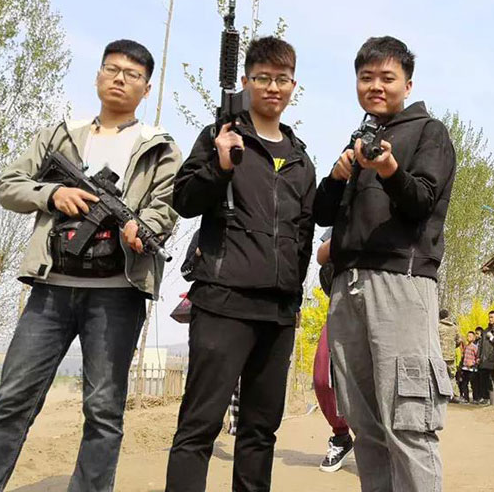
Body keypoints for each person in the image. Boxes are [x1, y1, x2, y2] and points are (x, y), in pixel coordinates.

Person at [0, 39, 182, 492]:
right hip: (50, 289)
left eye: (132, 75)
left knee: (103, 410)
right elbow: (8, 185)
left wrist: (142, 228)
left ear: (146, 89)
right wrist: (53, 194)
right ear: (98, 75)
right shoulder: (61, 135)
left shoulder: (160, 147)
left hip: (117, 294)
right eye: (112, 69)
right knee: (11, 401)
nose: (120, 79)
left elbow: (166, 207)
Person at [165, 36, 315, 492]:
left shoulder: (301, 159)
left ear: (293, 86)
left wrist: (293, 298)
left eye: (282, 79)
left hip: (278, 313)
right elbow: (184, 200)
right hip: (222, 303)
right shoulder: (221, 136)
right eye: (263, 78)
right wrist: (220, 165)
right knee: (200, 425)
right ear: (247, 81)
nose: (273, 87)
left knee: (260, 431)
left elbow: (303, 235)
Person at [314, 36, 457, 492]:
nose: (375, 86)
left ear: (407, 85)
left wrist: (391, 170)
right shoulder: (358, 141)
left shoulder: (429, 132)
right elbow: (322, 215)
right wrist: (336, 176)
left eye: (387, 78)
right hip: (347, 286)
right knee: (365, 424)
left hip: (401, 282)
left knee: (409, 422)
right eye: (366, 77)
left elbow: (422, 202)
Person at [313, 228, 355, 472]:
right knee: (322, 377)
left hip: (382, 302)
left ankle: (380, 442)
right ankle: (341, 436)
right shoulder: (347, 212)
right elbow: (321, 254)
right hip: (340, 301)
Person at [438, 309, 461, 402]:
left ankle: (441, 395)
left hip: (439, 355)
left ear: (439, 316)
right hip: (451, 356)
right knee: (451, 376)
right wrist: (452, 348)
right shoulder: (454, 327)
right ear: (448, 316)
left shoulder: (437, 326)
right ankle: (455, 395)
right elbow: (459, 340)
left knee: (439, 375)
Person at [477, 310, 494, 404]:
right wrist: (478, 357)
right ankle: (485, 398)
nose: (490, 319)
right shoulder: (485, 331)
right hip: (484, 359)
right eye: (489, 317)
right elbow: (481, 345)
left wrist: (491, 338)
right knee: (483, 379)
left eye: (492, 317)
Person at [459, 331, 479, 403]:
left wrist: (473, 363)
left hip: (472, 369)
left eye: (470, 336)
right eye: (468, 336)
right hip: (465, 368)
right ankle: (466, 398)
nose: (468, 337)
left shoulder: (475, 347)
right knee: (464, 383)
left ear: (474, 338)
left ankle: (475, 399)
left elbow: (477, 358)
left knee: (474, 384)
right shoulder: (466, 346)